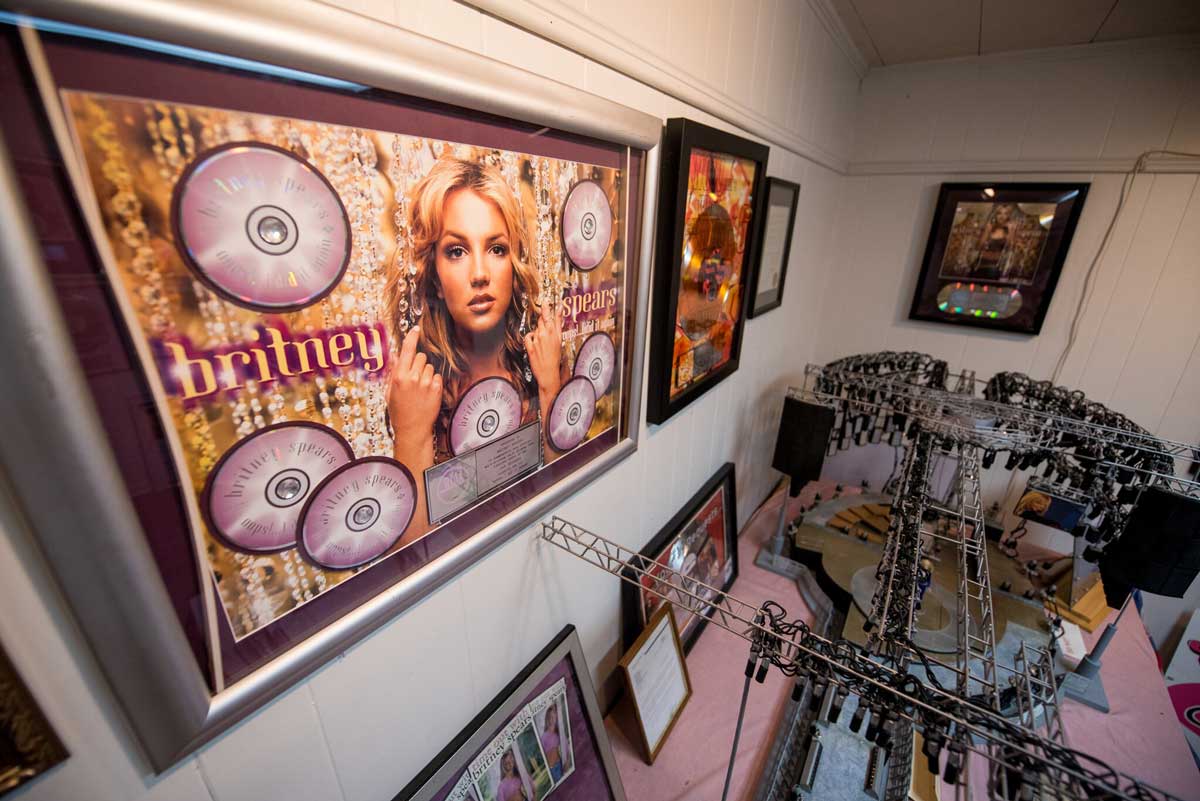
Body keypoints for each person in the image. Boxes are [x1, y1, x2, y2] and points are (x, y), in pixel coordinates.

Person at [386, 158, 563, 543]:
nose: (480, 274)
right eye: (456, 251)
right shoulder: (420, 387)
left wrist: (551, 389)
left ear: (514, 264)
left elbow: (563, 489)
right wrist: (411, 433)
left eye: (497, 249)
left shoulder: (536, 360)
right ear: (433, 276)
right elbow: (414, 554)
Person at [540, 703, 563, 783]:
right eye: (550, 717)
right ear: (547, 719)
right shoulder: (544, 737)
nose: (552, 719)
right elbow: (543, 755)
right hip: (552, 768)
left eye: (554, 717)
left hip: (560, 763)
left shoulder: (558, 733)